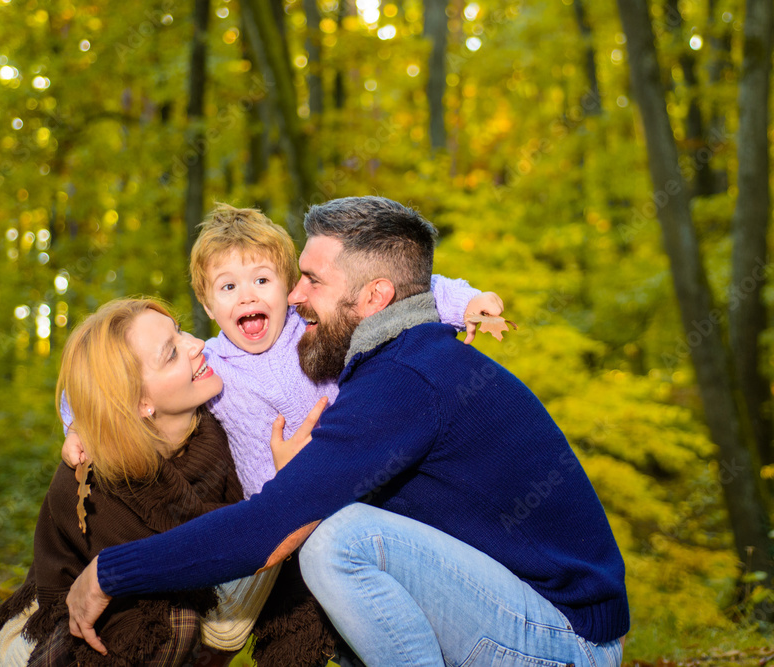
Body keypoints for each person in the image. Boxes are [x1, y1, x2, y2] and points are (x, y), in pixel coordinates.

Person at [65, 197, 630, 667]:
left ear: (374, 298)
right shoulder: (399, 360)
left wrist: (109, 571)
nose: (292, 296)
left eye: (309, 280)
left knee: (339, 540)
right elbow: (109, 372)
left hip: (565, 640)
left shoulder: (403, 383)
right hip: (522, 609)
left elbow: (268, 531)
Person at [61, 203, 503, 500]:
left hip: (359, 471)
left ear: (289, 286)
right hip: (277, 500)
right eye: (228, 287)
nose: (247, 296)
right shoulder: (209, 366)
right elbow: (103, 377)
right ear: (207, 303)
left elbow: (401, 289)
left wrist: (466, 302)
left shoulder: (313, 327)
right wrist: (76, 426)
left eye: (262, 280)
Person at [0, 299, 335, 666]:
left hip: (186, 595)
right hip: (61, 622)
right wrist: (285, 487)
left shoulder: (217, 416)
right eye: (171, 354)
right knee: (171, 623)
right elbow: (182, 566)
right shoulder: (97, 485)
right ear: (140, 403)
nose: (197, 343)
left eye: (181, 330)